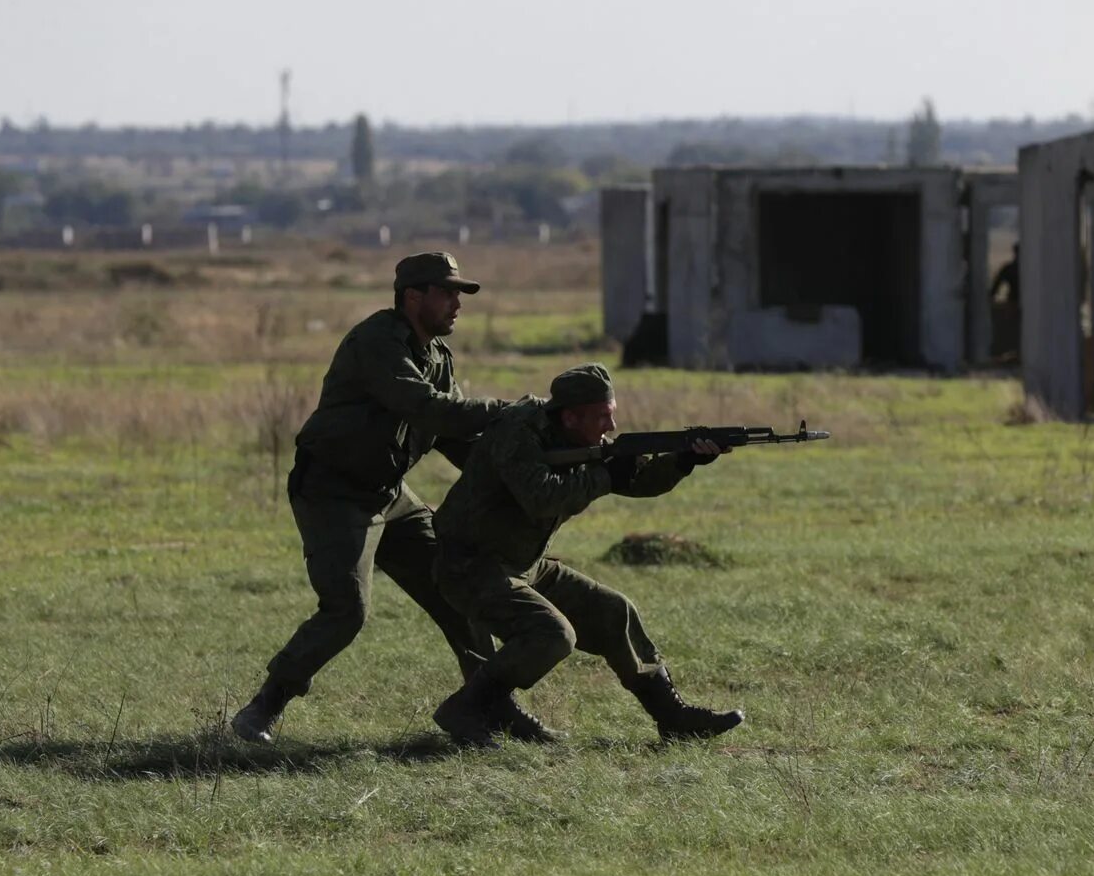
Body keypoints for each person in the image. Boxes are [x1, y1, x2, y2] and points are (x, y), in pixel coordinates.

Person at [232, 252, 504, 744]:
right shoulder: (377, 342)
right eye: (447, 293)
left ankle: (485, 706)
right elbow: (428, 409)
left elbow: (457, 440)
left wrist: (529, 460)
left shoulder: (437, 356)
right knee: (346, 609)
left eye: (459, 294)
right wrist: (509, 412)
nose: (457, 304)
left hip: (390, 494)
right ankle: (263, 707)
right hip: (334, 493)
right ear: (412, 297)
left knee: (458, 589)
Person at [428, 362, 744, 746]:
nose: (610, 429)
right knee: (552, 634)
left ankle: (672, 717)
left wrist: (683, 461)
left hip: (522, 562)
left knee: (614, 611)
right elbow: (541, 497)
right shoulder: (518, 431)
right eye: (602, 418)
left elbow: (636, 481)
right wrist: (606, 475)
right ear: (571, 416)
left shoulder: (579, 436)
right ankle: (469, 707)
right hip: (470, 564)